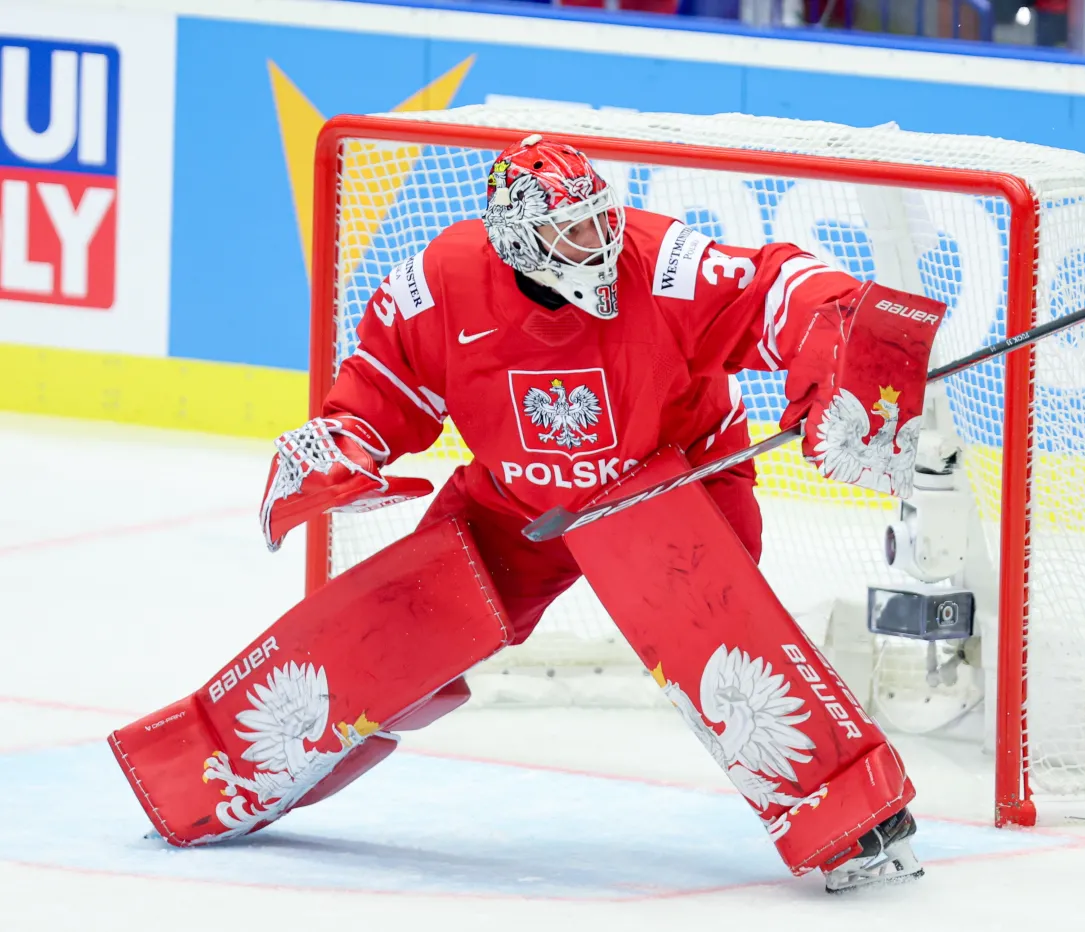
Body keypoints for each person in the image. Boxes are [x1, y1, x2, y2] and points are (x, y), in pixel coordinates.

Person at [109, 135, 946, 894]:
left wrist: (848, 367)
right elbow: (383, 386)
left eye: (599, 218)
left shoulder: (660, 262)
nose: (599, 241)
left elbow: (781, 288)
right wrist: (340, 441)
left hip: (669, 480)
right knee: (399, 619)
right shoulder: (439, 284)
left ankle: (858, 818)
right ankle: (205, 771)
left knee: (724, 646)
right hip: (520, 502)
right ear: (518, 243)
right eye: (572, 232)